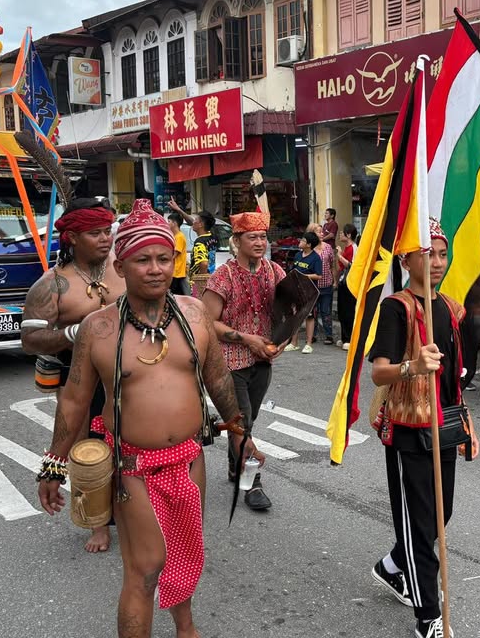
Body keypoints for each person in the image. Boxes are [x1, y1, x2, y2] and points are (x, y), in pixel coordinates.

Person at [36, 199, 246, 638]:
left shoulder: (194, 314)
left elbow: (218, 377)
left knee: (185, 552)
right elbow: (73, 401)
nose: (155, 269)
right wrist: (54, 464)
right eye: (143, 260)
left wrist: (239, 431)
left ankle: (186, 629)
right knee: (144, 568)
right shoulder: (98, 329)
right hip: (132, 466)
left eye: (164, 259)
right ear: (122, 266)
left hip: (190, 458)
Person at [368, 218, 479, 638]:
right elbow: (379, 372)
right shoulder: (396, 308)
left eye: (442, 254)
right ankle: (429, 615)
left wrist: (467, 423)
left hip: (444, 426)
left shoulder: (450, 308)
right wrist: (413, 366)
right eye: (427, 254)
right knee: (418, 525)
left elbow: (455, 380)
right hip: (407, 430)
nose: (437, 262)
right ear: (406, 260)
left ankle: (392, 566)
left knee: (440, 514)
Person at [21, 196, 125, 553]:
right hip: (78, 377)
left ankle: (131, 511)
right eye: (95, 233)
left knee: (132, 443)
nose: (105, 238)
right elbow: (30, 340)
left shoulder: (124, 266)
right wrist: (74, 333)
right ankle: (98, 524)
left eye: (107, 230)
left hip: (127, 372)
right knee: (85, 450)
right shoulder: (52, 284)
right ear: (73, 238)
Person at [202, 211, 286, 511]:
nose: (260, 242)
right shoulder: (222, 277)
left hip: (262, 362)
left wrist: (282, 342)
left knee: (247, 420)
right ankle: (251, 482)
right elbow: (206, 322)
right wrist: (248, 339)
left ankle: (233, 465)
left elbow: (291, 312)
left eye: (263, 236)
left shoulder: (275, 271)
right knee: (241, 423)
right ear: (236, 241)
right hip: (228, 363)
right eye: (252, 237)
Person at [167, 198, 219, 297]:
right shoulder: (212, 236)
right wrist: (179, 210)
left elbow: (203, 263)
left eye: (196, 220)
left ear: (201, 224)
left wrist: (202, 284)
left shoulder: (200, 242)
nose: (193, 222)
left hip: (199, 282)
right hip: (211, 277)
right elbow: (192, 222)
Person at [284, 231, 323, 354]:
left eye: (303, 240)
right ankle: (294, 343)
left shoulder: (316, 258)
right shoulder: (297, 255)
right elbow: (294, 270)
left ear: (309, 244)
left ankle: (308, 344)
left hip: (309, 291)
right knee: (295, 315)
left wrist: (304, 276)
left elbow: (319, 275)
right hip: (296, 289)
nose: (300, 242)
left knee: (309, 316)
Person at [308, 222, 336, 345]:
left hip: (326, 285)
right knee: (313, 311)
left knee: (326, 310)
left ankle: (329, 335)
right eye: (319, 232)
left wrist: (335, 280)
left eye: (322, 231)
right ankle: (312, 335)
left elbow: (332, 265)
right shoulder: (309, 249)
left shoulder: (328, 247)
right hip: (312, 286)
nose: (322, 234)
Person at [336, 224, 358, 350]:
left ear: (348, 235)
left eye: (342, 233)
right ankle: (344, 337)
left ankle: (349, 338)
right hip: (343, 281)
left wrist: (340, 256)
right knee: (342, 310)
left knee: (349, 310)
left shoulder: (354, 247)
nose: (340, 235)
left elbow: (352, 265)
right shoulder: (346, 248)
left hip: (350, 282)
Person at [168, 213, 190, 296]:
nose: (167, 223)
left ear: (174, 223)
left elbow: (175, 254)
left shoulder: (179, 237)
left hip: (177, 272)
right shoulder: (176, 236)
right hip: (175, 271)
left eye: (169, 221)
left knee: (175, 295)